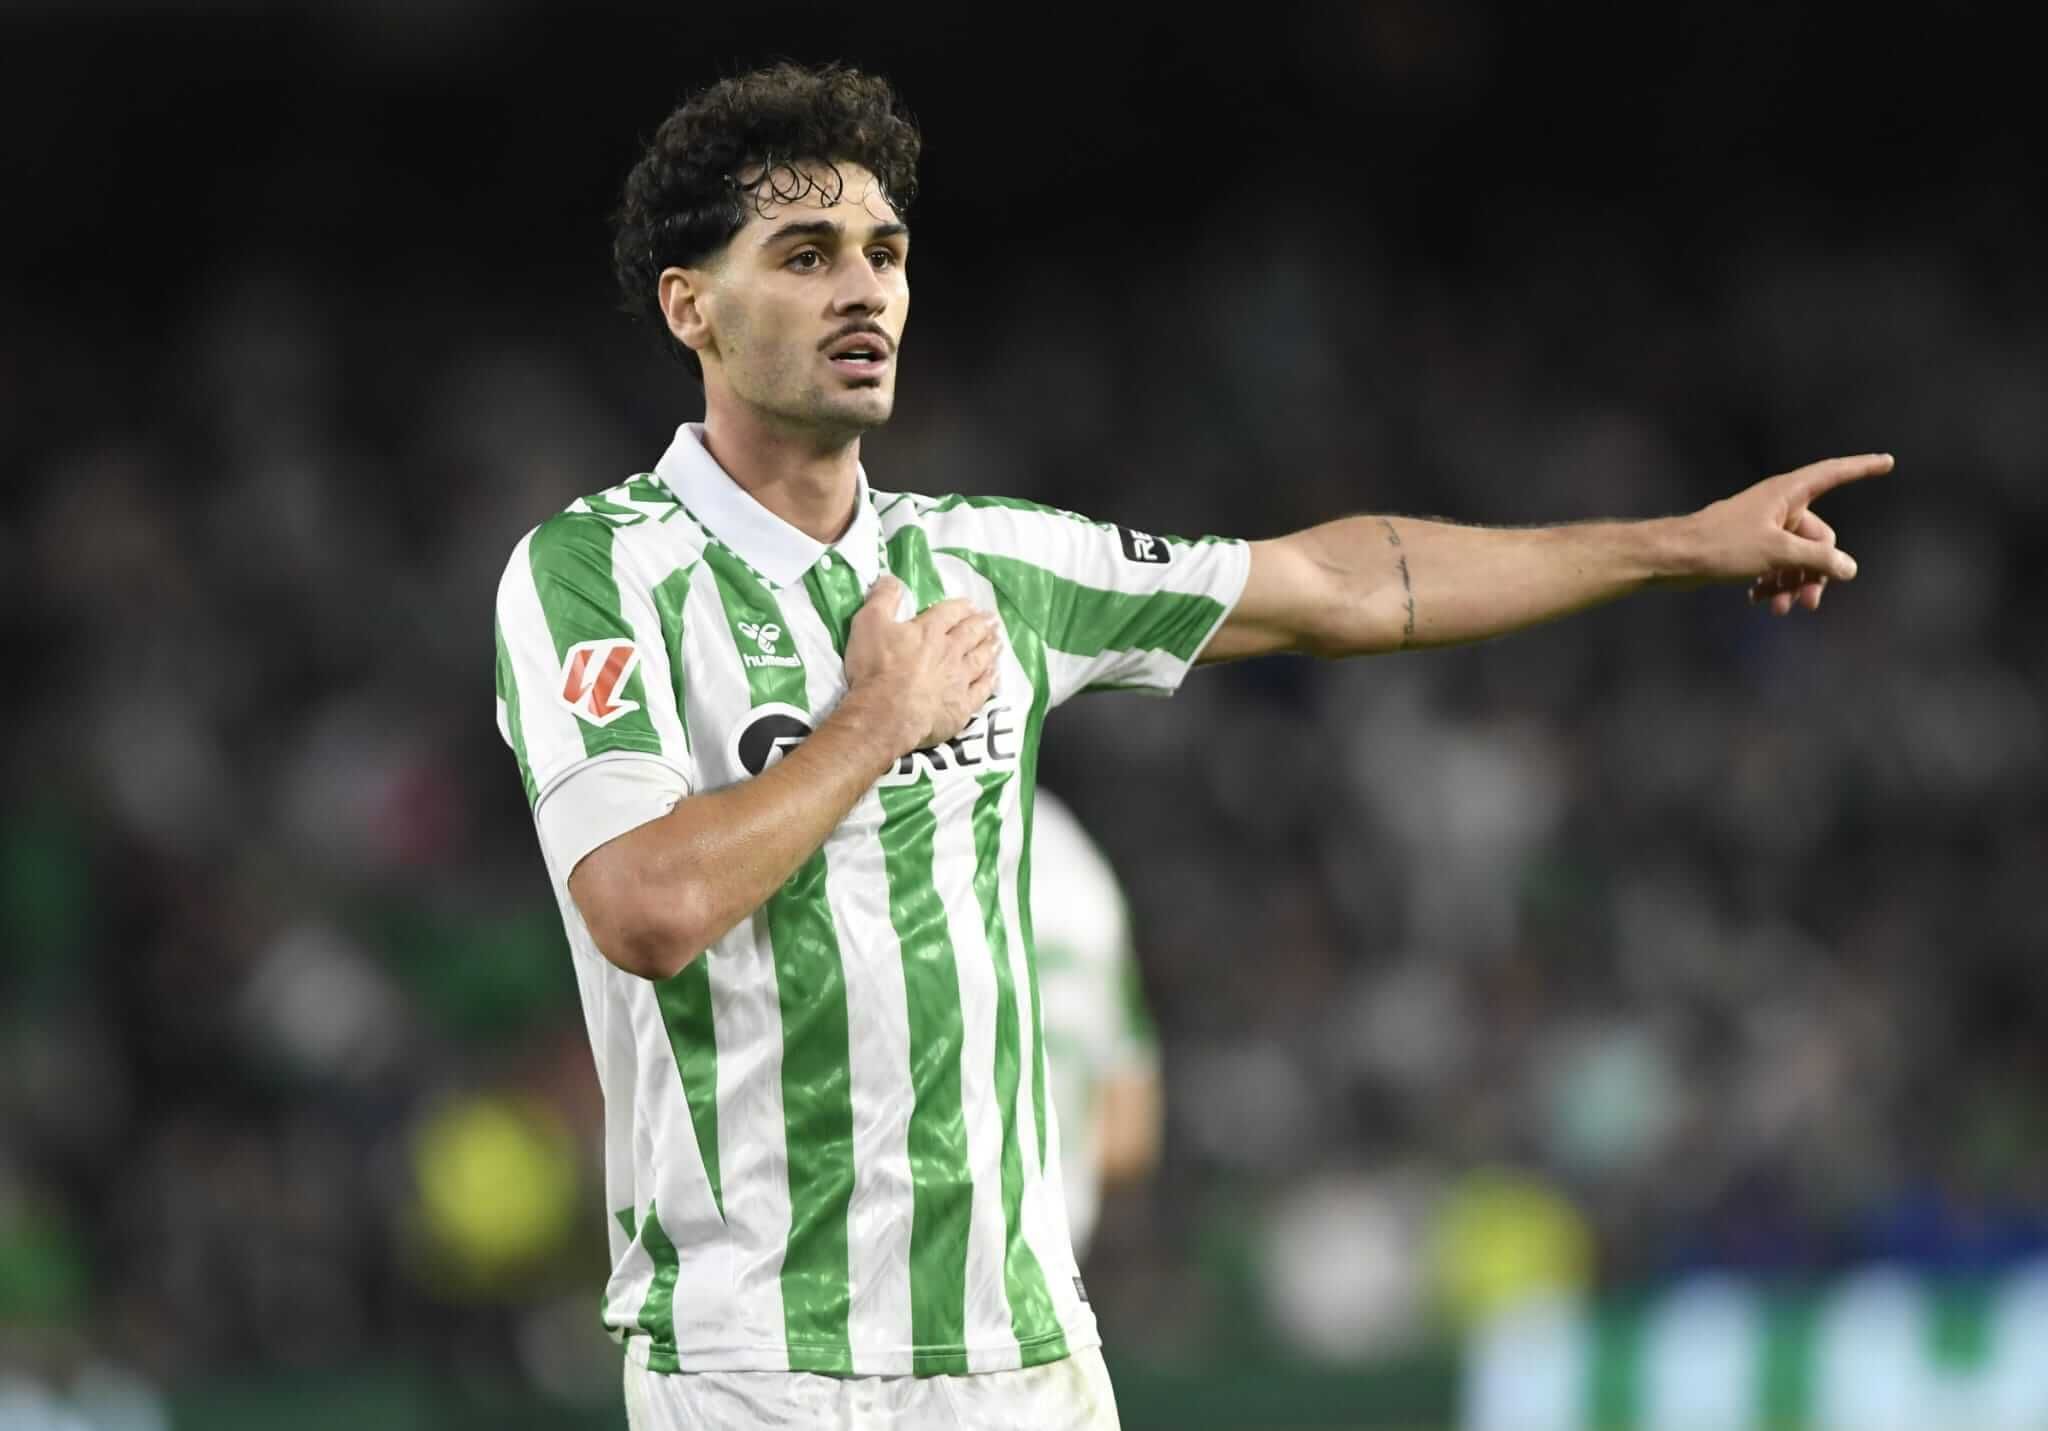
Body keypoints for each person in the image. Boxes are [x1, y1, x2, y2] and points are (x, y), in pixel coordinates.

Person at [491, 60, 1886, 1430]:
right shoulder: (596, 573)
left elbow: (1337, 586)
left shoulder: (988, 562)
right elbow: (645, 902)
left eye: (885, 251)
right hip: (755, 1368)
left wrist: (1677, 543)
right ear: (694, 307)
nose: (864, 289)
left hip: (1025, 1359)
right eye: (805, 254)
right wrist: (877, 721)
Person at [1028, 789, 1163, 1267]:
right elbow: (1131, 1129)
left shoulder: (922, 835)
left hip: (919, 1241)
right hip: (1052, 1265)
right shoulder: (1085, 873)